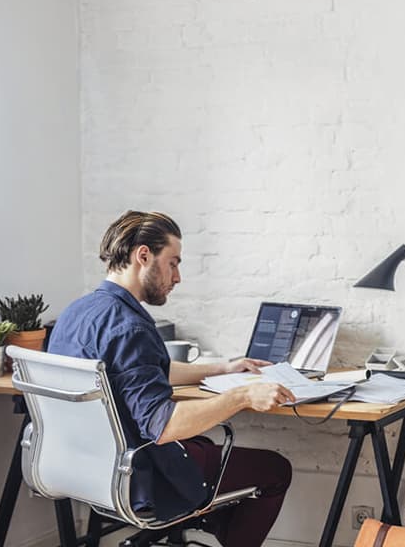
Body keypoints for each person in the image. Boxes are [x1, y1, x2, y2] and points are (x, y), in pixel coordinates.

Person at [48, 210, 295, 547]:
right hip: (138, 474)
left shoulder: (77, 313)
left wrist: (221, 368)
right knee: (274, 470)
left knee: (205, 451)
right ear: (144, 256)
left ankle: (211, 521)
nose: (177, 277)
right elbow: (163, 426)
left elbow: (140, 371)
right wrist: (243, 397)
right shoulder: (131, 327)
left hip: (85, 467)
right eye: (173, 263)